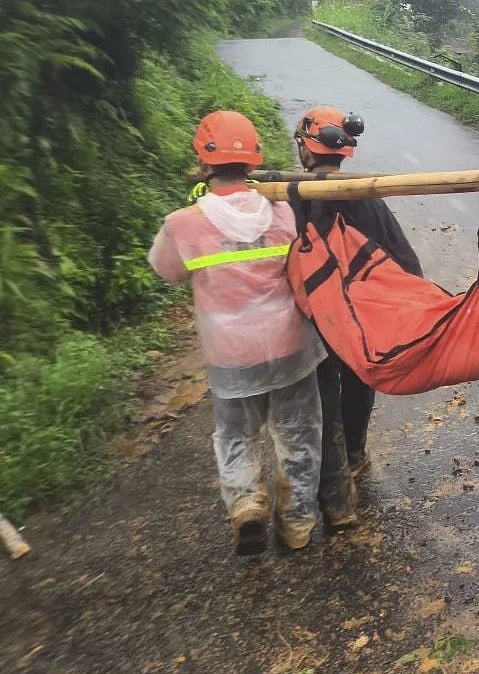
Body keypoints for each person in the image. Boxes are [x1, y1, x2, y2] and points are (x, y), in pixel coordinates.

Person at [149, 111, 325, 555]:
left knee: (235, 434)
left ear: (204, 164)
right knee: (298, 433)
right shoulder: (282, 211)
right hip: (290, 345)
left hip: (230, 356)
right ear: (253, 161)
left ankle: (247, 502)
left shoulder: (182, 223)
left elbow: (166, 271)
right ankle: (298, 523)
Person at [291, 107, 424, 528]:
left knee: (323, 387)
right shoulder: (366, 196)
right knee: (359, 378)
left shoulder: (291, 197)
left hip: (318, 314)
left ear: (305, 149)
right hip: (361, 315)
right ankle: (353, 453)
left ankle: (332, 480)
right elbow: (404, 259)